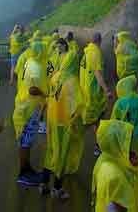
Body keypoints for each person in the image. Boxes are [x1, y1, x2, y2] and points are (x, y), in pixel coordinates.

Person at [41, 39, 85, 199]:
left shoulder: (55, 76)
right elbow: (78, 106)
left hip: (52, 120)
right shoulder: (72, 81)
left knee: (50, 152)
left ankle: (43, 184)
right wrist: (75, 123)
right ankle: (57, 188)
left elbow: (49, 97)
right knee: (62, 155)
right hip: (63, 123)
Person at [92, 120, 138, 212]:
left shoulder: (107, 159)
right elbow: (116, 207)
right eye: (126, 142)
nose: (130, 146)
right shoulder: (113, 176)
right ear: (115, 144)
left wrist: (132, 166)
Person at [13, 40, 48, 186]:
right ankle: (23, 174)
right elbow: (32, 89)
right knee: (25, 143)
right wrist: (45, 95)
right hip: (28, 109)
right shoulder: (36, 67)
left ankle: (27, 169)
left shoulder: (29, 61)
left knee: (26, 142)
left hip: (23, 105)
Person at [80, 33, 111, 155]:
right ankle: (98, 147)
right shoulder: (96, 53)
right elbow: (98, 74)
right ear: (100, 41)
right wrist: (106, 90)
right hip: (93, 93)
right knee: (96, 119)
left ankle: (98, 144)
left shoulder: (87, 51)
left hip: (86, 91)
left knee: (94, 120)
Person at [111, 75, 138, 166]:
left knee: (124, 156)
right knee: (135, 156)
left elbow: (114, 120)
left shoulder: (120, 102)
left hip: (123, 134)